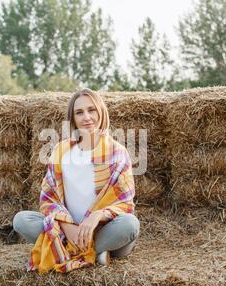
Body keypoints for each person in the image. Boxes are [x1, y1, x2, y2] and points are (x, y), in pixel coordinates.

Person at [13, 88, 139, 274]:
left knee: (130, 224)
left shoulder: (117, 152)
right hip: (66, 231)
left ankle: (72, 250)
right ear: (72, 119)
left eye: (91, 110)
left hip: (104, 231)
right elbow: (49, 198)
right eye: (79, 112)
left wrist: (96, 216)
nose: (86, 117)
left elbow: (124, 204)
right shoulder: (61, 151)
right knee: (21, 220)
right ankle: (95, 253)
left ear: (101, 112)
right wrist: (67, 225)